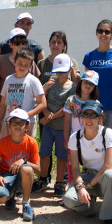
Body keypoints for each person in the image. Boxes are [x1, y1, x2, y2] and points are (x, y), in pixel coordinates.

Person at [62, 100, 112, 224]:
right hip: (86, 175)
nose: (88, 119)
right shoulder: (75, 138)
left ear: (100, 117)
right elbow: (75, 168)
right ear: (81, 117)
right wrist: (80, 186)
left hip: (103, 178)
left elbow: (107, 165)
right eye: (85, 114)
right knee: (68, 199)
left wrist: (88, 185)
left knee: (110, 175)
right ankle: (90, 208)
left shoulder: (107, 133)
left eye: (93, 115)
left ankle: (108, 216)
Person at [0, 108, 41, 222]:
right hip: (7, 175)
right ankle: (10, 196)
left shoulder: (31, 142)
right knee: (0, 198)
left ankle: (26, 204)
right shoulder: (3, 142)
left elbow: (38, 169)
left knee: (27, 169)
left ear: (27, 126)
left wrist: (24, 161)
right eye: (14, 122)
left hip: (23, 178)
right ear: (9, 126)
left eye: (21, 123)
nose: (17, 125)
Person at [38, 54, 77, 196]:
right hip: (48, 128)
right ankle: (43, 178)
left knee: (61, 157)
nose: (60, 74)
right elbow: (41, 98)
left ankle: (60, 182)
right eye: (58, 70)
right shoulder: (51, 82)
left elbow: (68, 106)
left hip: (62, 128)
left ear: (69, 70)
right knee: (44, 154)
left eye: (63, 70)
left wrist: (50, 117)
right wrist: (46, 110)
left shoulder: (73, 87)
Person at [0, 46, 46, 140]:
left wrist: (27, 115)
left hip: (26, 124)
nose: (22, 66)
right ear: (14, 62)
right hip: (9, 123)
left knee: (25, 152)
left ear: (30, 66)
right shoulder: (8, 79)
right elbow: (2, 104)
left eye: (26, 65)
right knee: (7, 152)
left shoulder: (33, 81)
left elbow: (43, 104)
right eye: (19, 63)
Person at [0, 28, 41, 95]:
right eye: (17, 43)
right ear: (10, 44)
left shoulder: (30, 61)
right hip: (5, 104)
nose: (21, 45)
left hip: (26, 104)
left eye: (23, 43)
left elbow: (36, 83)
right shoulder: (2, 60)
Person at [62, 70, 100, 139]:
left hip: (91, 140)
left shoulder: (96, 103)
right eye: (86, 82)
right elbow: (67, 121)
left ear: (94, 87)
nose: (88, 85)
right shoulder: (71, 100)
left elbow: (100, 123)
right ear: (81, 83)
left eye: (91, 84)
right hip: (75, 139)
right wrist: (66, 140)